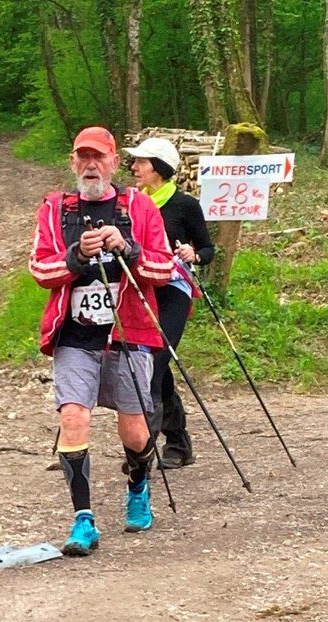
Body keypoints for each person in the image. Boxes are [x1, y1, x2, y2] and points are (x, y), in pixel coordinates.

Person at [29, 126, 175, 556]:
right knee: (73, 417)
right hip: (74, 333)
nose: (90, 165)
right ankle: (83, 519)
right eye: (82, 157)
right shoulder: (54, 208)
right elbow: (40, 270)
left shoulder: (140, 206)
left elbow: (164, 270)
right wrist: (76, 257)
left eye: (99, 157)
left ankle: (138, 486)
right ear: (73, 162)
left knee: (133, 427)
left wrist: (127, 249)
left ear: (113, 162)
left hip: (129, 329)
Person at [126, 137, 214, 468]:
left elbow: (207, 248)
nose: (134, 168)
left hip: (174, 290)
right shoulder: (130, 203)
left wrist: (195, 254)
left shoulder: (184, 205)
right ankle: (178, 441)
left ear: (159, 168)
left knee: (155, 362)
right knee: (152, 365)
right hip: (140, 292)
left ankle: (142, 451)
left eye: (141, 162)